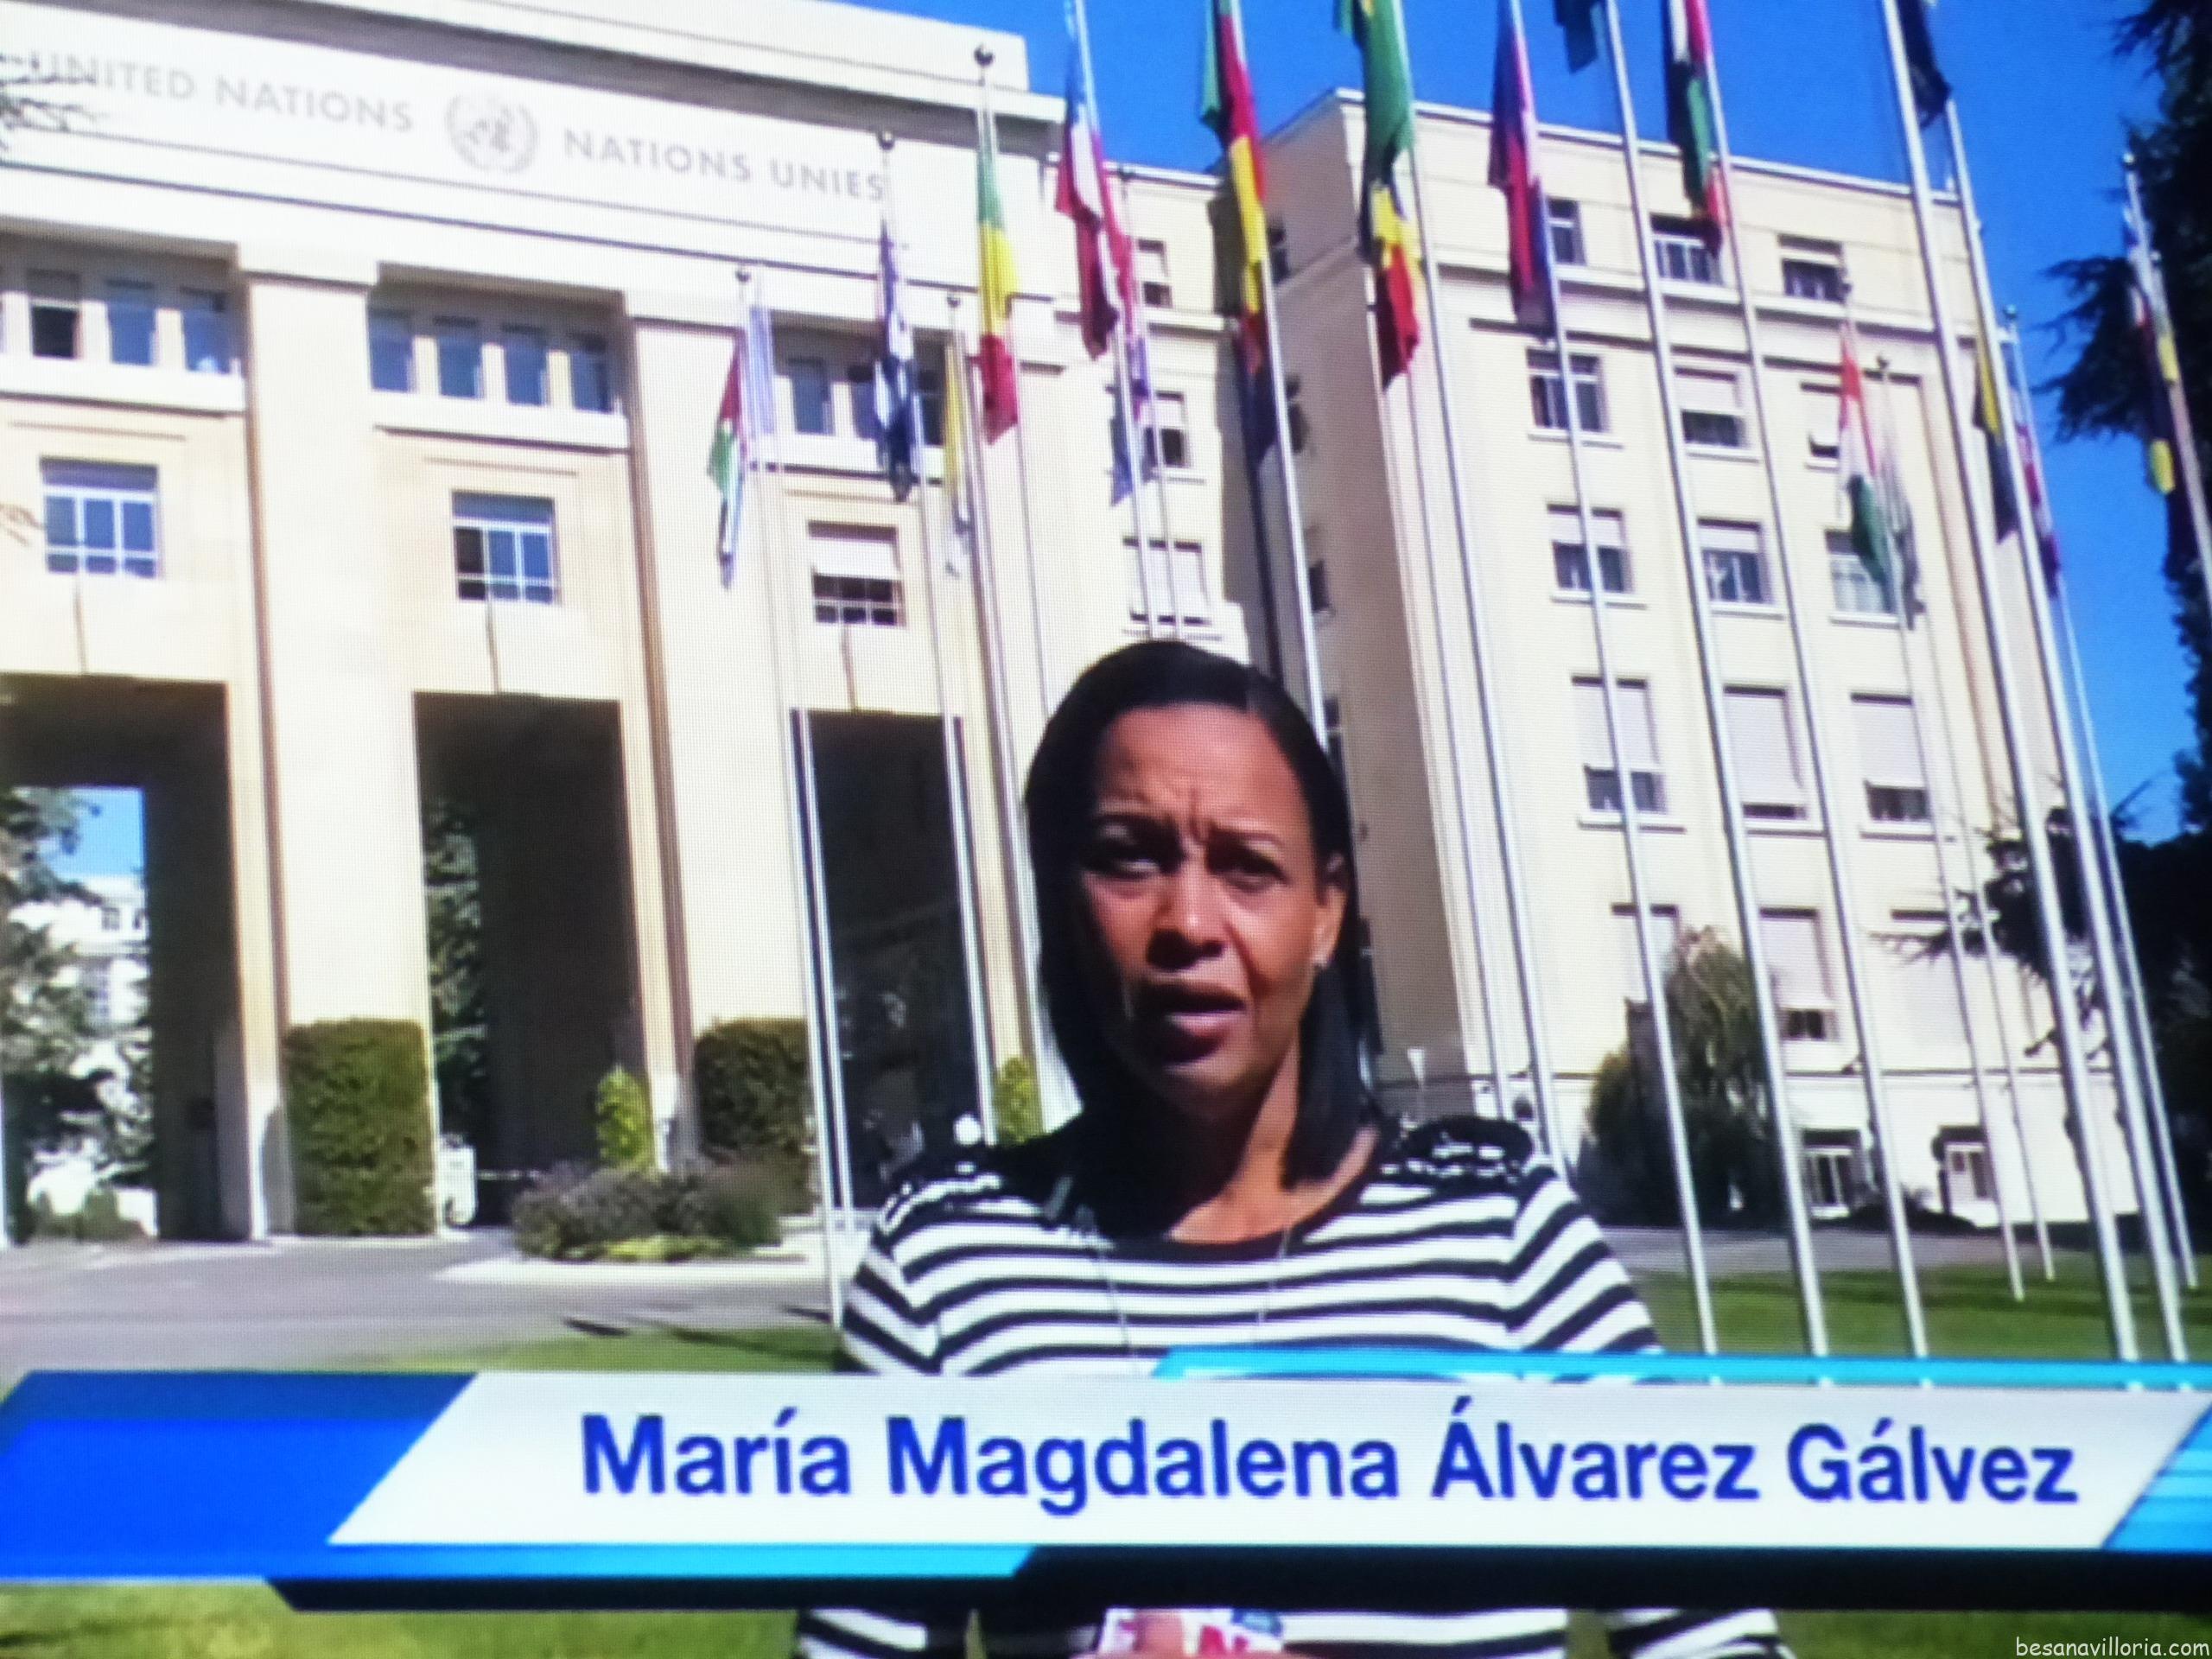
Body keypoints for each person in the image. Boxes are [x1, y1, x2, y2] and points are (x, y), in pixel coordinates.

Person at [799, 641, 1788, 1659]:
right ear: (1060, 894)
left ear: (1325, 912)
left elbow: (1717, 1644)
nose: (1189, 922)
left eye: (1246, 867)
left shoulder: (1499, 1230)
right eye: (1129, 856)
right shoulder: (946, 1259)